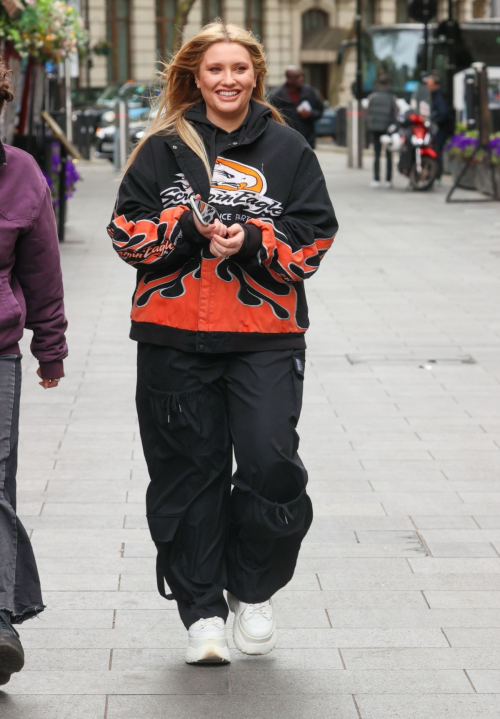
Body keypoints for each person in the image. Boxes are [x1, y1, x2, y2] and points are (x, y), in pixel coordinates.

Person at [108, 22, 338, 665]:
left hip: (264, 336)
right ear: (195, 77)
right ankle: (203, 612)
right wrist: (184, 227)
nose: (228, 80)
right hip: (173, 336)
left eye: (239, 68)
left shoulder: (288, 148)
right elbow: (127, 233)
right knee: (187, 474)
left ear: (255, 74)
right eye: (215, 70)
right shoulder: (159, 148)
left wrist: (256, 241)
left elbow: (315, 237)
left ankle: (254, 589)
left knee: (271, 463)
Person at [0, 57, 68, 685]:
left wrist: (51, 349)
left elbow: (43, 272)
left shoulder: (20, 173)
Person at [269, 66, 324, 148]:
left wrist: (310, 114)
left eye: (302, 76)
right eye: (297, 77)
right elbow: (271, 118)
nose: (301, 78)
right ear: (289, 79)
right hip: (285, 140)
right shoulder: (277, 95)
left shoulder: (309, 91)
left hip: (307, 140)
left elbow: (319, 110)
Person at [367, 75, 398, 188]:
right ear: (388, 85)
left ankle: (376, 179)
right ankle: (388, 180)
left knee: (377, 154)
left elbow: (368, 113)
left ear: (378, 84)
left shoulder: (372, 97)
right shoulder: (392, 98)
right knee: (389, 155)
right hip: (388, 130)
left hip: (375, 129)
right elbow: (395, 114)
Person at [425, 73, 452, 183]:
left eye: (429, 84)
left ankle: (437, 175)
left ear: (434, 84)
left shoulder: (438, 96)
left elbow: (443, 113)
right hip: (439, 128)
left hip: (441, 129)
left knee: (437, 150)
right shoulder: (434, 95)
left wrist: (434, 122)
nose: (427, 86)